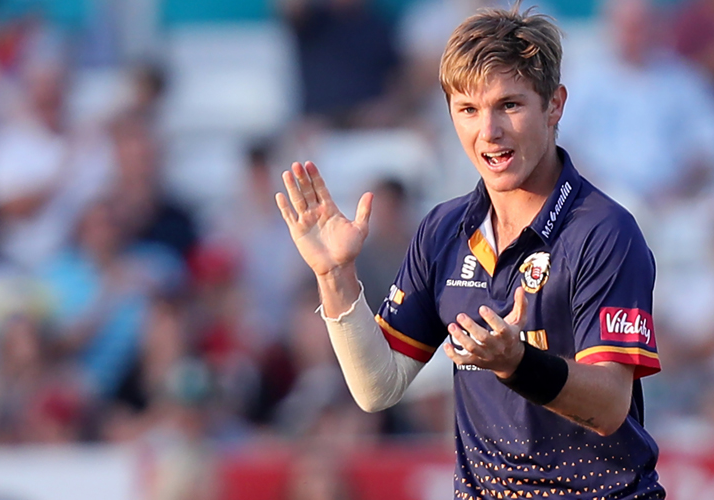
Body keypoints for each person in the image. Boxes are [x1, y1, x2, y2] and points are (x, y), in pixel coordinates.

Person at [275, 4, 665, 498]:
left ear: (554, 105)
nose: (489, 131)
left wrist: (517, 362)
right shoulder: (443, 230)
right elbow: (378, 387)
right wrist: (335, 275)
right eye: (468, 110)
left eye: (509, 105)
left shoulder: (605, 230)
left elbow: (609, 407)